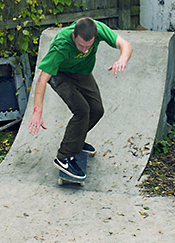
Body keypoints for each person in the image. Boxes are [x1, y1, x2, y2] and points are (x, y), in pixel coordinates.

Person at [28, 17, 133, 181]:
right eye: (80, 46)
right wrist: (37, 111)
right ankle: (64, 157)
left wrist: (122, 59)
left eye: (88, 46)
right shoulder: (61, 44)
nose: (84, 50)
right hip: (60, 75)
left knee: (97, 110)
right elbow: (42, 79)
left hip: (82, 72)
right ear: (74, 35)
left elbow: (126, 45)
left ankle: (76, 139)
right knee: (82, 110)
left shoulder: (98, 29)